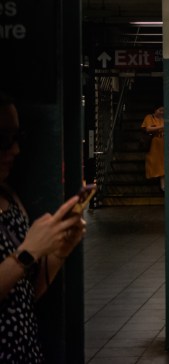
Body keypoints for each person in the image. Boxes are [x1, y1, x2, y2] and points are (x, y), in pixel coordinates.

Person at [0, 93, 87, 362]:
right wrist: (27, 253)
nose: (15, 150)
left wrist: (58, 251)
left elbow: (26, 292)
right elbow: (24, 258)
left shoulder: (9, 198)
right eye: (4, 139)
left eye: (17, 137)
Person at [141, 105, 165, 191]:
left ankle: (163, 184)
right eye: (160, 110)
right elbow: (148, 128)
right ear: (155, 110)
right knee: (153, 161)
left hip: (163, 142)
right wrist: (162, 127)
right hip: (154, 143)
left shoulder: (163, 119)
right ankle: (154, 181)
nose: (161, 112)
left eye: (163, 111)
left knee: (163, 163)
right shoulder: (149, 117)